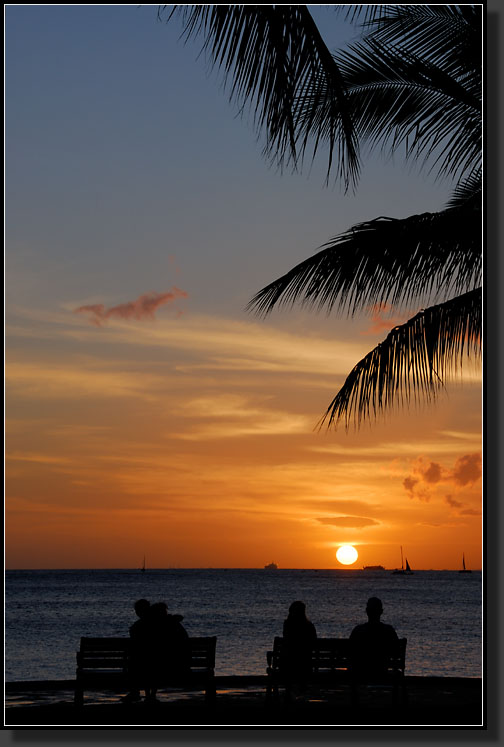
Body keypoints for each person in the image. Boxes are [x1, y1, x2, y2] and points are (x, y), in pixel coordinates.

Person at [143, 602, 190, 702]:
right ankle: (151, 696)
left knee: (150, 664)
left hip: (166, 666)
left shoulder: (155, 627)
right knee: (154, 664)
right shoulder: (173, 624)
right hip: (179, 665)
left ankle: (149, 696)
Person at [349, 597, 399, 681]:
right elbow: (396, 654)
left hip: (361, 673)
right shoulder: (389, 631)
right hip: (382, 671)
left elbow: (350, 653)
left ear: (367, 611)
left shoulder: (358, 631)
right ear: (381, 612)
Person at [280, 601, 317, 701]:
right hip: (306, 665)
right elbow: (314, 643)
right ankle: (301, 691)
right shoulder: (309, 626)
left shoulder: (288, 625)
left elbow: (286, 641)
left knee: (288, 658)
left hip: (289, 666)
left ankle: (290, 694)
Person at [122, 598, 152, 703]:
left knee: (136, 662)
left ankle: (135, 692)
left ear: (138, 611)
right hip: (160, 665)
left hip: (143, 665)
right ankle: (149, 695)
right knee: (147, 663)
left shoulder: (137, 627)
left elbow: (134, 646)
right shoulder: (156, 624)